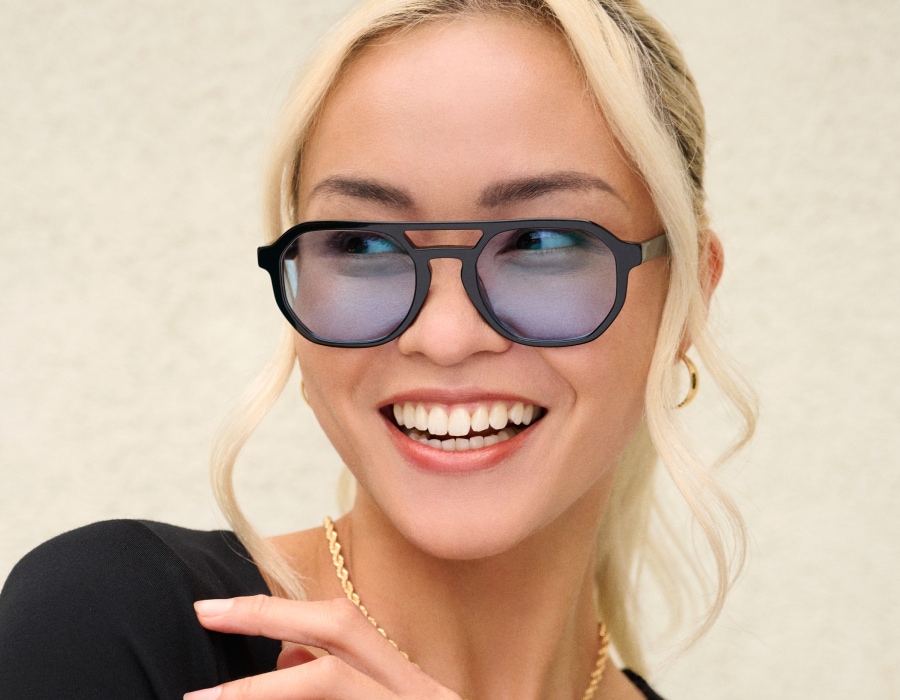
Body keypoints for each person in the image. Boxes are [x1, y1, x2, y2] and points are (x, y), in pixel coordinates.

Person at [0, 0, 755, 698]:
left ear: (687, 297)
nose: (446, 335)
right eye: (362, 243)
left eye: (541, 241)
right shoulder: (113, 623)